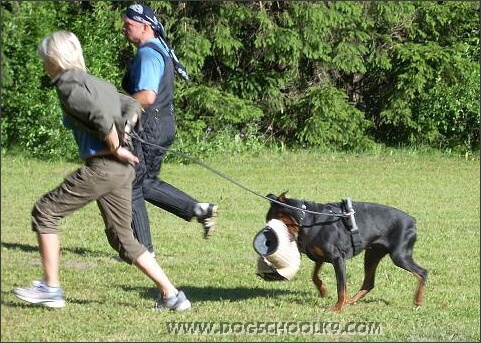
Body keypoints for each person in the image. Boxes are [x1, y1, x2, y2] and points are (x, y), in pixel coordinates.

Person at [12, 30, 190, 311]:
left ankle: (51, 288)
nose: (44, 64)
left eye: (45, 59)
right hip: (121, 171)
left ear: (55, 59)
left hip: (105, 167)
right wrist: (127, 127)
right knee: (123, 238)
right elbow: (131, 104)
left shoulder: (67, 85)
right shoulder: (96, 82)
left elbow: (99, 115)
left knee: (45, 212)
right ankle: (172, 295)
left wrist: (115, 144)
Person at [121, 3, 218, 256]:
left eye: (129, 24)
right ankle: (198, 209)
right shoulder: (160, 49)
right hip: (163, 125)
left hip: (149, 126)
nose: (124, 27)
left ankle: (144, 251)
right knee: (147, 182)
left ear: (145, 27)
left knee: (131, 184)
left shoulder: (147, 54)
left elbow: (147, 95)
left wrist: (122, 115)